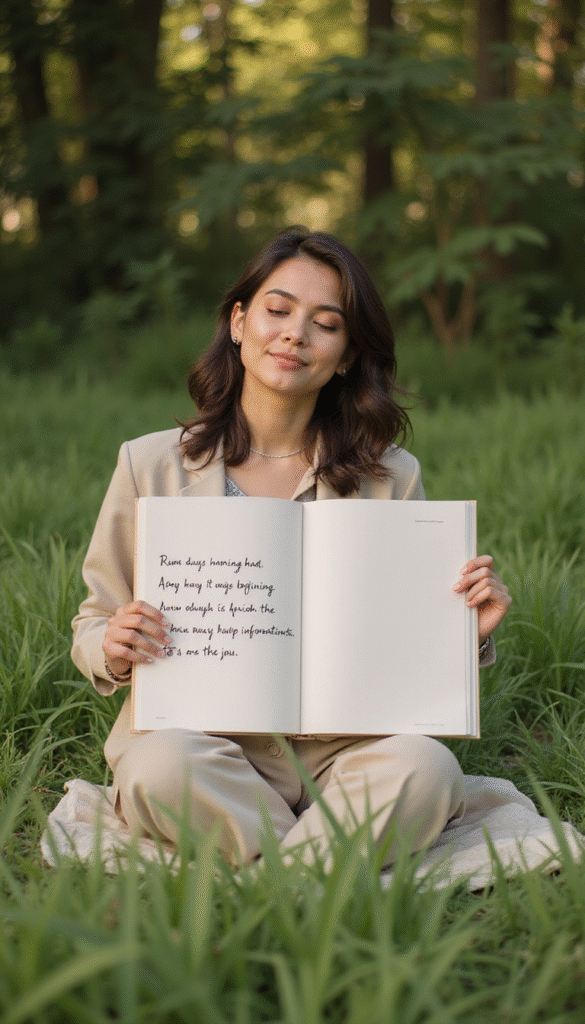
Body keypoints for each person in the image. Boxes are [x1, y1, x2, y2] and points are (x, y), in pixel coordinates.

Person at [71, 228, 511, 869]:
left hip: (345, 752)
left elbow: (406, 641)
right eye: (277, 310)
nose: (295, 333)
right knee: (157, 767)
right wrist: (112, 646)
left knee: (427, 767)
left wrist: (465, 630)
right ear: (239, 322)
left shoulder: (392, 474)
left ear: (346, 356)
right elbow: (94, 618)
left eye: (324, 323)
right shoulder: (149, 464)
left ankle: (269, 880)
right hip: (204, 741)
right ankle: (319, 875)